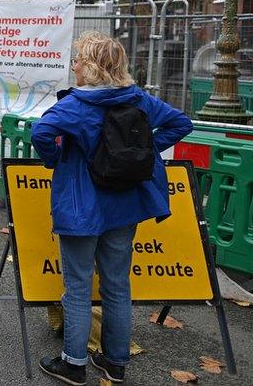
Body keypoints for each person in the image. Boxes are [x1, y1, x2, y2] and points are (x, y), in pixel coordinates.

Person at [31, 31, 193, 385]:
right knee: (117, 285)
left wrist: (55, 159)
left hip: (81, 211)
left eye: (77, 60)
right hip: (125, 207)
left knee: (77, 286)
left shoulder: (75, 106)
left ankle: (73, 364)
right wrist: (145, 149)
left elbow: (40, 133)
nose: (73, 65)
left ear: (90, 67)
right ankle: (115, 363)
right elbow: (182, 123)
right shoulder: (139, 100)